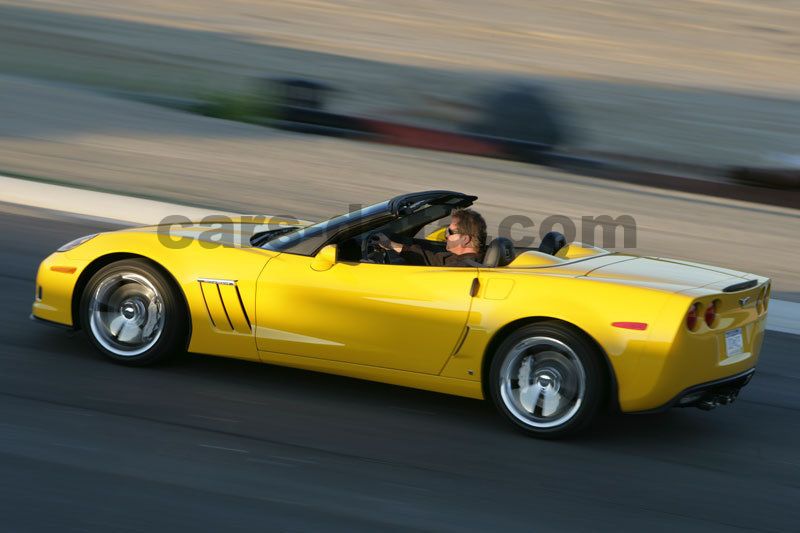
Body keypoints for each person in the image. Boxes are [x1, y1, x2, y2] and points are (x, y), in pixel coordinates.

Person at [376, 208, 487, 267]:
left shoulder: (461, 268)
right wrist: (391, 244)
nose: (446, 235)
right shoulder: (465, 258)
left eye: (450, 232)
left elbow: (432, 261)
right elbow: (432, 259)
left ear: (465, 239)